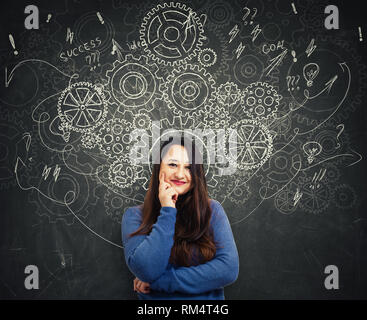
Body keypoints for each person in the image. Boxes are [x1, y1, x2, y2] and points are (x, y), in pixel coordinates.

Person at [121, 135, 239, 299]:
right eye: (172, 165)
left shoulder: (212, 210)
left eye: (188, 167)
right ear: (158, 169)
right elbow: (147, 269)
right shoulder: (135, 216)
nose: (180, 174)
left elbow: (228, 270)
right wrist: (168, 209)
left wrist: (160, 282)